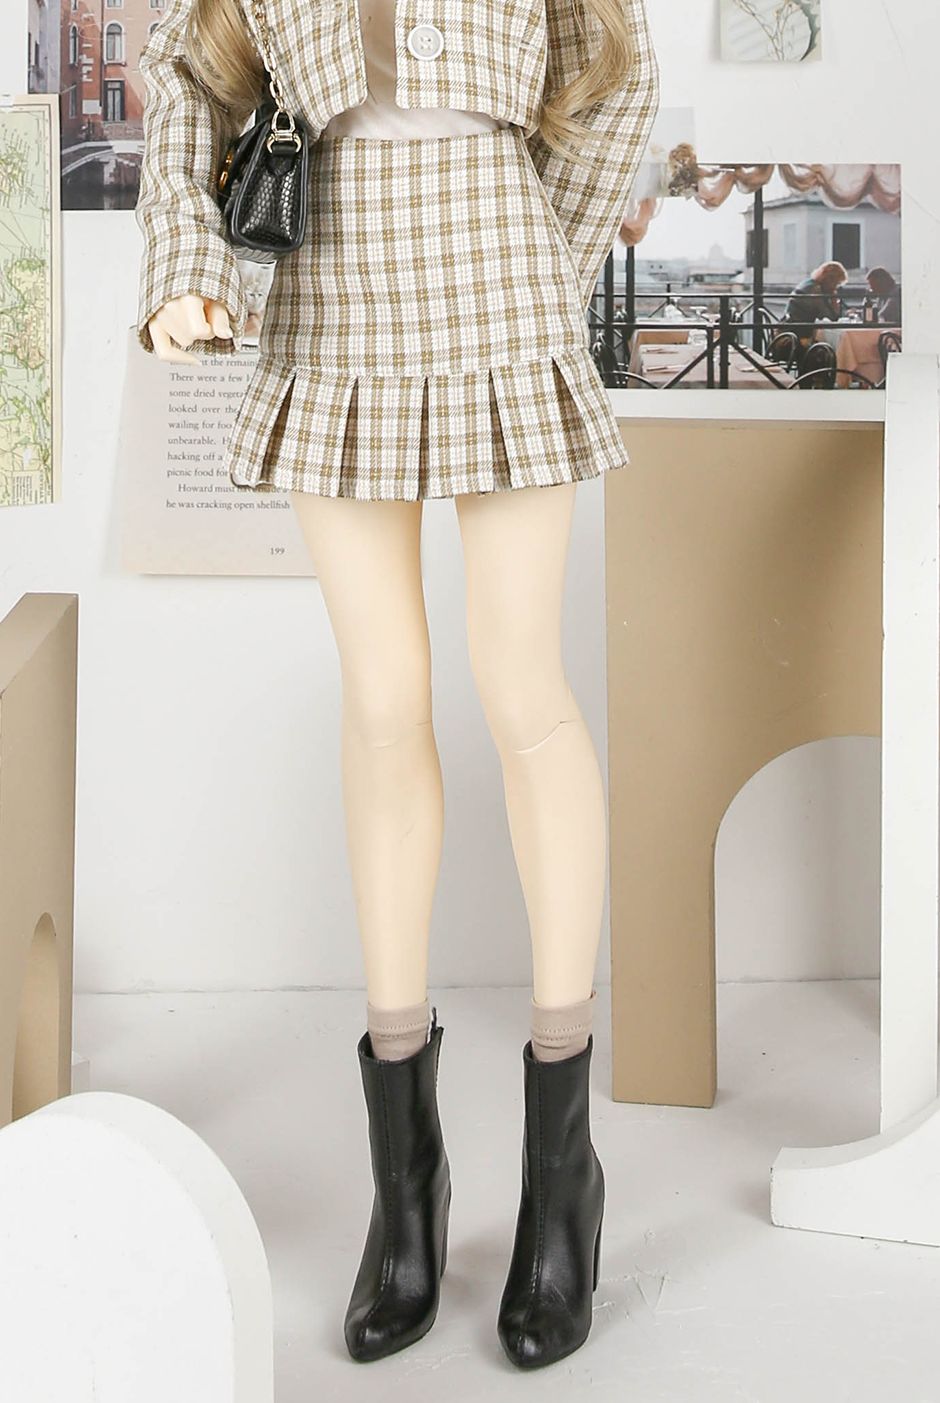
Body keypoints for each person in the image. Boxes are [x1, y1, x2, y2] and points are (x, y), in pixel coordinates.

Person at [135, 0, 659, 1372]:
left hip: (500, 271)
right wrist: (189, 263)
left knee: (524, 685)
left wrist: (547, 250)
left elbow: (614, 72)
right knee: (382, 697)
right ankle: (405, 1180)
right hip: (330, 287)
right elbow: (189, 83)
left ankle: (562, 1172)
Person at [779, 260, 848, 343]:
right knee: (833, 342)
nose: (836, 287)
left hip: (790, 329)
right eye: (837, 283)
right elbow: (828, 318)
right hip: (797, 336)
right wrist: (834, 303)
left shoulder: (810, 284)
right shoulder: (814, 290)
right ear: (829, 279)